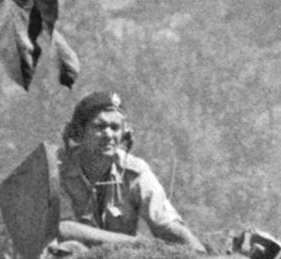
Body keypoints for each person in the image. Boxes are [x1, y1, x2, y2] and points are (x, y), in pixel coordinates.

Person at [53, 91, 204, 250]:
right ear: (79, 132)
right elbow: (64, 229)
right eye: (99, 127)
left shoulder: (135, 172)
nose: (108, 135)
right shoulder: (57, 170)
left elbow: (165, 223)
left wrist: (197, 251)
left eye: (115, 127)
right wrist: (137, 244)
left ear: (124, 134)